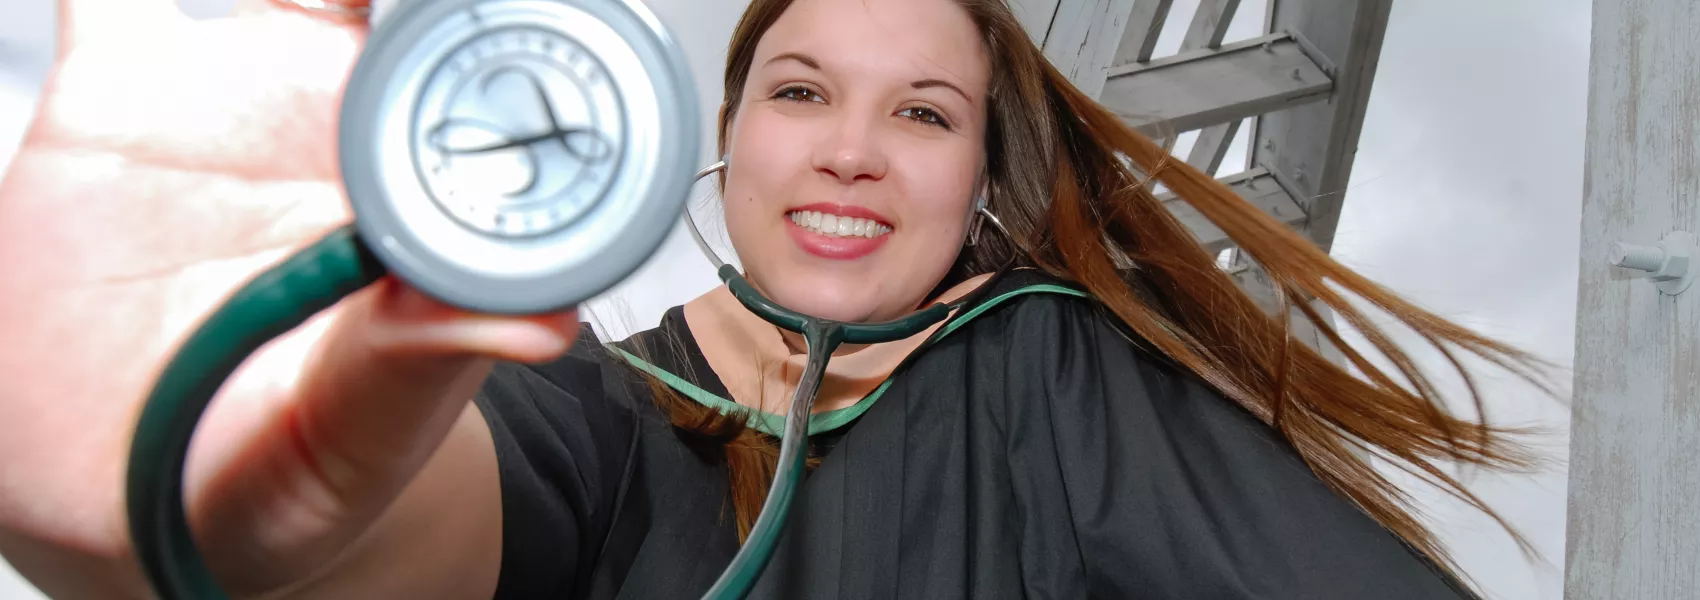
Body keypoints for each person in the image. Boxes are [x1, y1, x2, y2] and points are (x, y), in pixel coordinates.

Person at [0, 0, 1549, 597]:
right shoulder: (591, 407)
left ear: (980, 178)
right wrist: (199, 480)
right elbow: (405, 532)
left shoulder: (1052, 381)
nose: (856, 153)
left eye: (926, 114)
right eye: (803, 90)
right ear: (726, 135)